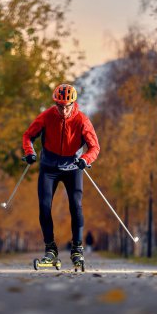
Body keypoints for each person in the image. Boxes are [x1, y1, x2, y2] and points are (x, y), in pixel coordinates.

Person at [22, 84, 100, 267]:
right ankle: (50, 249)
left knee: (76, 205)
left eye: (67, 106)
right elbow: (28, 136)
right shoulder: (47, 116)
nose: (63, 110)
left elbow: (95, 146)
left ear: (73, 103)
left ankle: (77, 248)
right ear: (55, 104)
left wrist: (86, 159)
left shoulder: (82, 120)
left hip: (74, 166)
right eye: (59, 106)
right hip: (49, 166)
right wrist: (29, 152)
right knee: (44, 205)